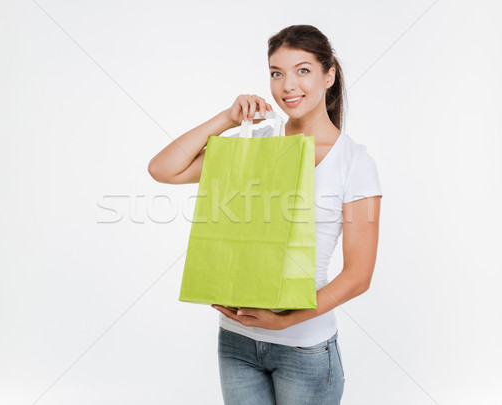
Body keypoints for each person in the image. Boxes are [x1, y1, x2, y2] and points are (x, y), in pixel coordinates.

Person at [148, 24, 382, 405]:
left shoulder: (354, 162)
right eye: (276, 72)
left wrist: (284, 320)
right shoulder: (255, 142)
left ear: (329, 75)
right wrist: (226, 119)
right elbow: (164, 169)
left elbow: (359, 275)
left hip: (305, 348)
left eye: (302, 70)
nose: (287, 84)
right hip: (237, 342)